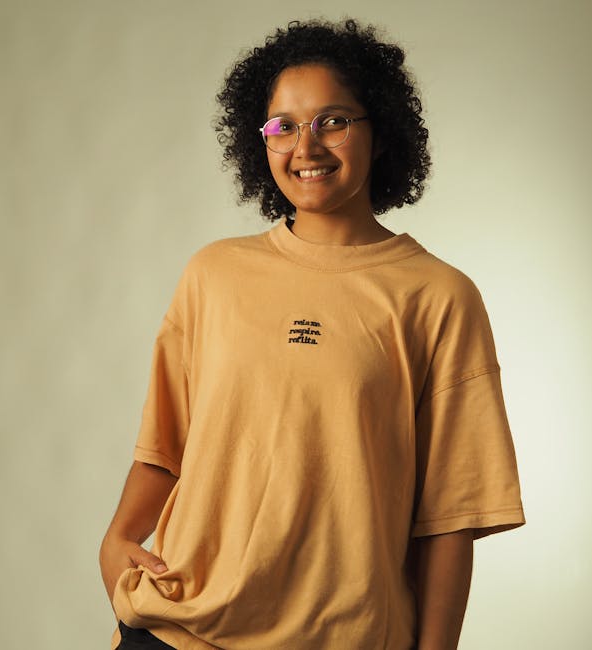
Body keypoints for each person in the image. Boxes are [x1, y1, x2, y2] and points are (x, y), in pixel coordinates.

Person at [99, 18, 525, 650]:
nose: (307, 147)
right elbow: (165, 444)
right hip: (181, 631)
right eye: (284, 126)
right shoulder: (214, 273)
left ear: (379, 132)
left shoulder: (438, 297)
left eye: (334, 121)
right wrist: (114, 545)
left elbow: (451, 520)